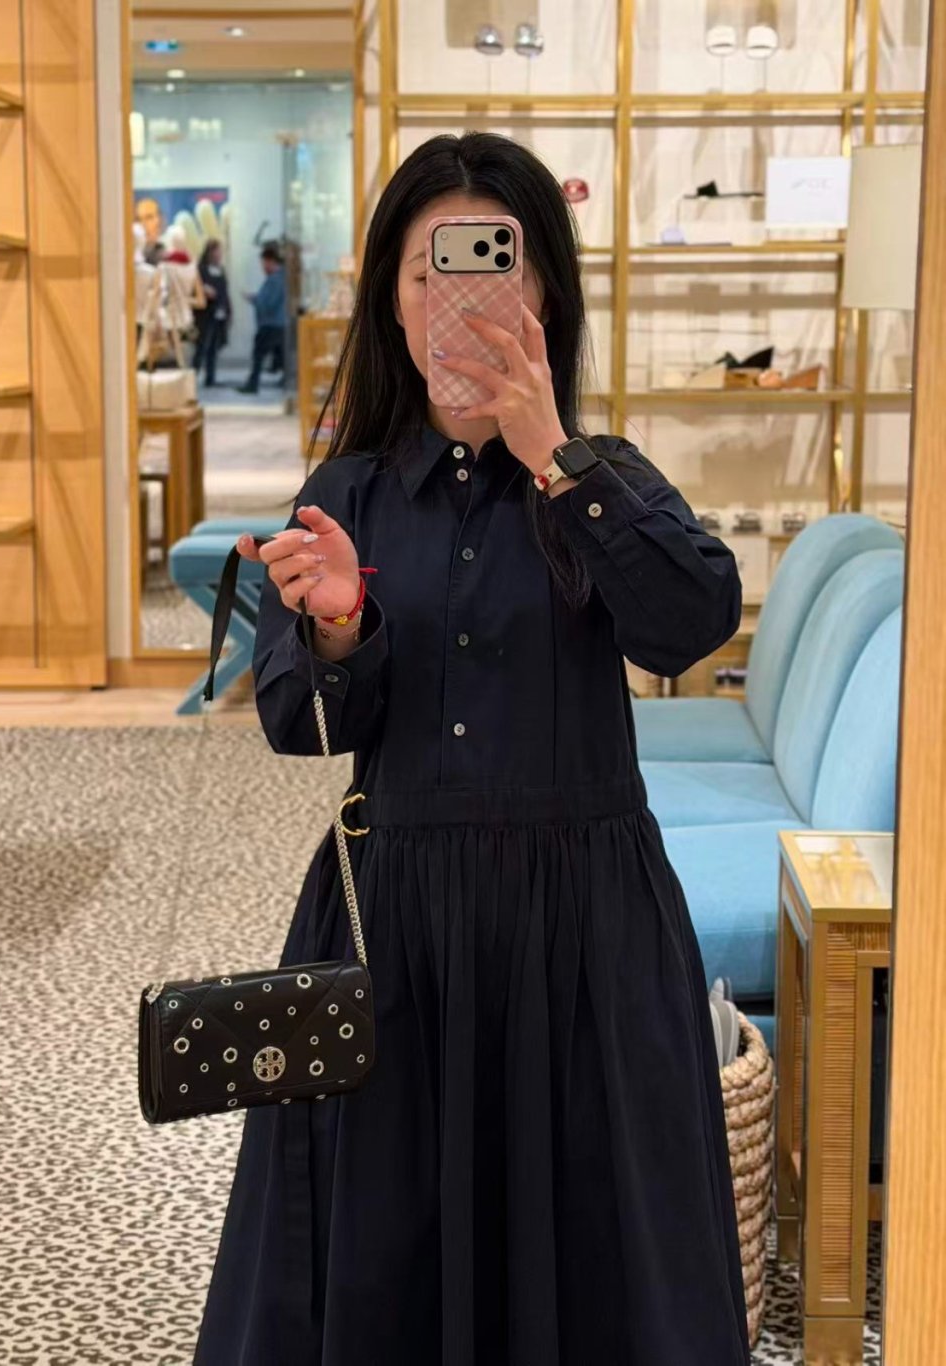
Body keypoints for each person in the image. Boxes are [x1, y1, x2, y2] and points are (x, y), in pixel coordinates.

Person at [194, 132, 751, 1365]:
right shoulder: (347, 490)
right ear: (391, 304)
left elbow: (690, 620)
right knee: (384, 1245)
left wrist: (556, 456)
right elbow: (297, 721)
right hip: (394, 927)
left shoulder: (603, 478)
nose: (457, 304)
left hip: (586, 933)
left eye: (494, 270)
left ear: (543, 294)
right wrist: (339, 625)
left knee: (599, 1250)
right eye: (425, 275)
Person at [237, 245, 286, 392]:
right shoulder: (280, 278)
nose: (263, 267)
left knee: (258, 354)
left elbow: (269, 303)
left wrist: (255, 299)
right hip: (278, 323)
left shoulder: (275, 280)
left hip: (271, 324)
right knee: (281, 355)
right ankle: (285, 380)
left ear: (270, 261)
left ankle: (252, 385)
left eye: (264, 263)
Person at [192, 238, 230, 387]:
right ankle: (193, 376)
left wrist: (227, 309)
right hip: (205, 314)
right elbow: (195, 287)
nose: (219, 254)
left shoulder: (221, 270)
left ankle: (210, 377)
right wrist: (204, 290)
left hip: (219, 312)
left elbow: (224, 291)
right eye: (217, 251)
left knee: (214, 347)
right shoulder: (201, 269)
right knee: (202, 346)